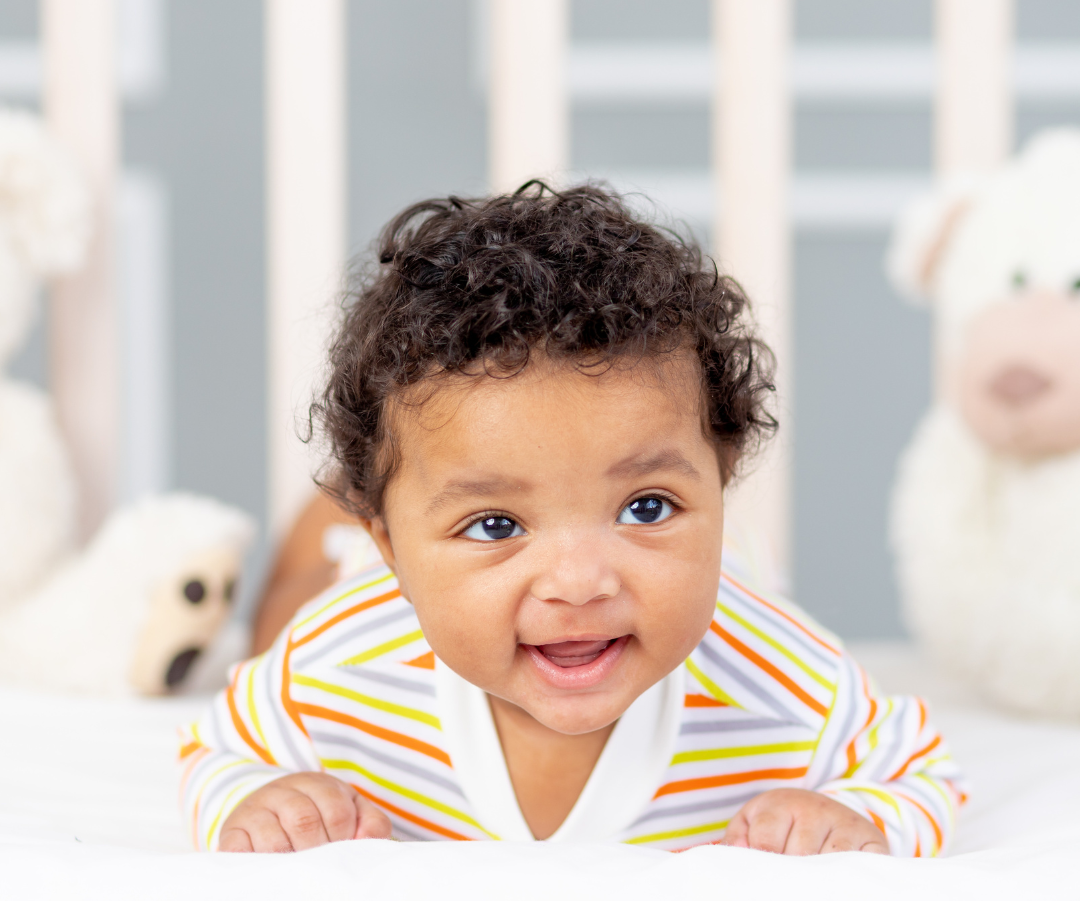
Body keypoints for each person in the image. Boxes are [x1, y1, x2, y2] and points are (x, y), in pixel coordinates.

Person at [180, 184, 964, 856]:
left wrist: (858, 818)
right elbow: (219, 747)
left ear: (723, 483)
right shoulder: (338, 664)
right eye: (496, 523)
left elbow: (921, 770)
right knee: (295, 600)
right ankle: (341, 523)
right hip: (373, 578)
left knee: (735, 577)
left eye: (647, 506)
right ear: (390, 547)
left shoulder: (786, 685)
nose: (581, 581)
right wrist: (261, 801)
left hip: (731, 583)